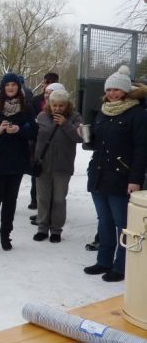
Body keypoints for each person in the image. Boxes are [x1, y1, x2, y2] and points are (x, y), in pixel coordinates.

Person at [83, 66, 147, 282]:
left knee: (123, 223)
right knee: (104, 220)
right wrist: (86, 137)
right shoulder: (103, 111)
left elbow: (141, 149)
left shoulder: (137, 114)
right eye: (109, 89)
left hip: (122, 176)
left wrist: (135, 179)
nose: (112, 93)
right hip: (99, 175)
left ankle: (121, 267)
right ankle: (103, 261)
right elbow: (96, 144)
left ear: (126, 91)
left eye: (116, 90)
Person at [0, 72, 37, 254]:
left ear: (18, 87)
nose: (11, 88)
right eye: (7, 85)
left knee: (10, 202)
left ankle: (6, 236)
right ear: (2, 88)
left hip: (16, 162)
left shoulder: (26, 107)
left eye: (14, 85)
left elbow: (34, 131)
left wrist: (19, 130)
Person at [32, 89, 83, 244]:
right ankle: (42, 228)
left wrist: (66, 124)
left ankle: (56, 230)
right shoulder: (41, 117)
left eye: (61, 105)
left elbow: (80, 138)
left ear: (67, 105)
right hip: (43, 165)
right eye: (55, 105)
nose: (58, 109)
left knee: (59, 199)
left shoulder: (75, 117)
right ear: (50, 104)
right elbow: (33, 138)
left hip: (63, 165)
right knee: (43, 198)